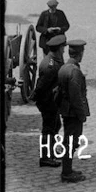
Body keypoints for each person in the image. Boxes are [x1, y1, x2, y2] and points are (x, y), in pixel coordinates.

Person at [30, 34, 67, 168]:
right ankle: (45, 157)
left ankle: (51, 151)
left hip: (52, 101)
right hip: (48, 101)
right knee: (48, 129)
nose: (64, 50)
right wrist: (39, 99)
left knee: (56, 126)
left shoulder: (54, 60)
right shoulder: (50, 65)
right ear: (57, 49)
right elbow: (41, 86)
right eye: (62, 48)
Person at [57, 39, 90, 183]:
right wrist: (82, 114)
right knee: (71, 142)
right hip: (73, 113)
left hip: (66, 110)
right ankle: (67, 172)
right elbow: (76, 96)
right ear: (80, 54)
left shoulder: (64, 67)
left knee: (69, 141)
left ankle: (68, 170)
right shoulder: (74, 71)